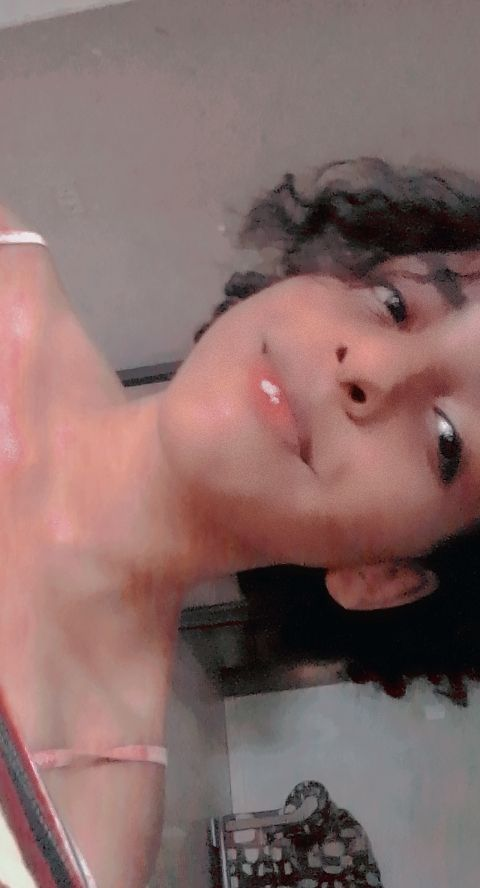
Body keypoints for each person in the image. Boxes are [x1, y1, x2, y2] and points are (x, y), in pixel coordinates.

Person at [2, 156, 480, 886]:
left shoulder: (80, 831)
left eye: (447, 441)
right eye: (393, 303)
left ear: (385, 577)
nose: (370, 369)